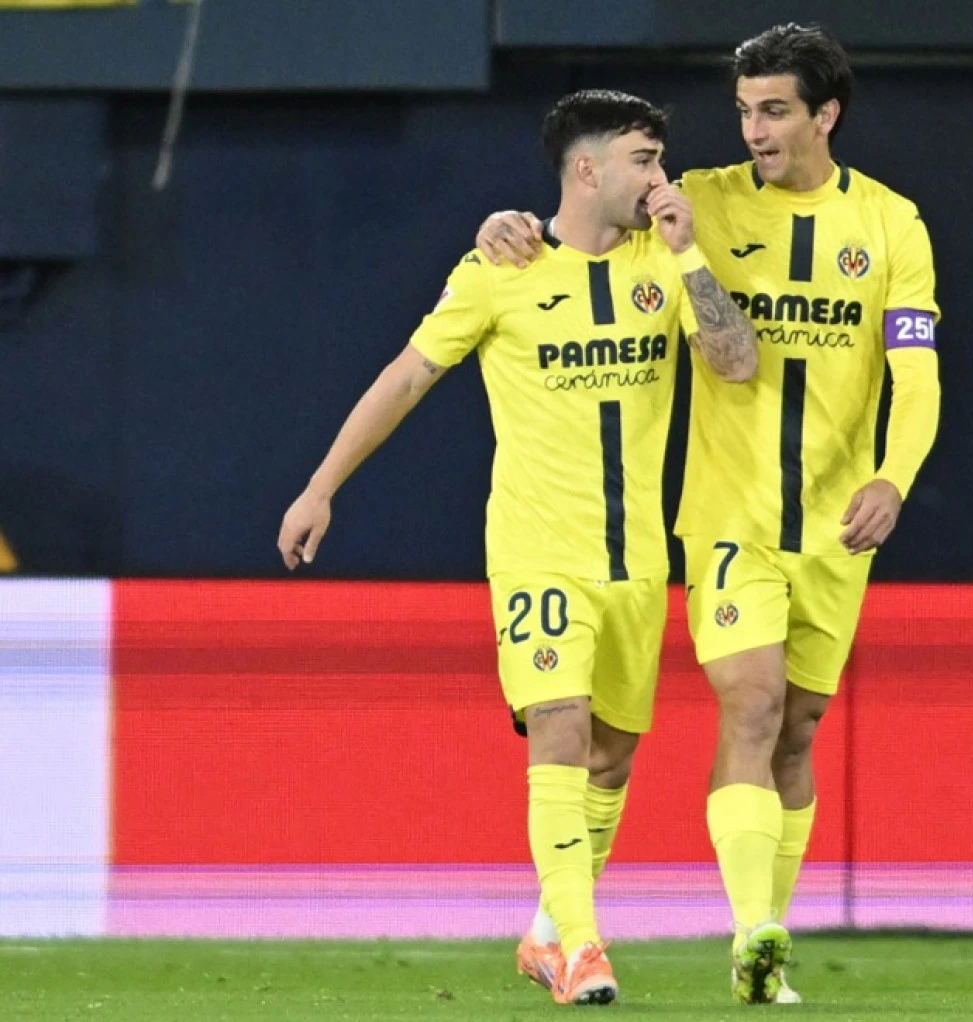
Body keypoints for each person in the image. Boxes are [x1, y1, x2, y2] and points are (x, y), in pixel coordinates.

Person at [476, 23, 941, 1005]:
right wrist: (505, 226)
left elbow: (916, 373)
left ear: (825, 114)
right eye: (742, 111)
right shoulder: (698, 203)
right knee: (754, 702)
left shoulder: (892, 224)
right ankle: (753, 930)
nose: (754, 130)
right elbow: (586, 220)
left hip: (837, 525)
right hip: (728, 517)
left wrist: (894, 476)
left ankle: (736, 954)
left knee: (797, 731)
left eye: (773, 110)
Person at [277, 89, 756, 1006]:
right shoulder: (501, 267)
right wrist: (321, 486)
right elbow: (408, 376)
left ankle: (544, 934)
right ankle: (583, 947)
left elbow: (735, 363)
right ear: (586, 168)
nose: (659, 177)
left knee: (611, 756)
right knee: (559, 727)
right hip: (538, 551)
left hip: (637, 559)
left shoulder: (664, 258)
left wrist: (690, 251)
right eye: (644, 159)